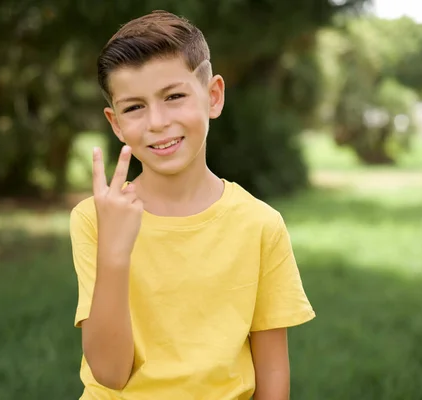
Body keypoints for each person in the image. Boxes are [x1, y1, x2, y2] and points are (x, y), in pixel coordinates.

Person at [69, 10, 315, 400]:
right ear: (115, 123)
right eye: (134, 107)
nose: (158, 121)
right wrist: (114, 253)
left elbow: (272, 377)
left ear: (213, 96)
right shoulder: (94, 218)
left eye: (174, 96)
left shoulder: (260, 225)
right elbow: (110, 373)